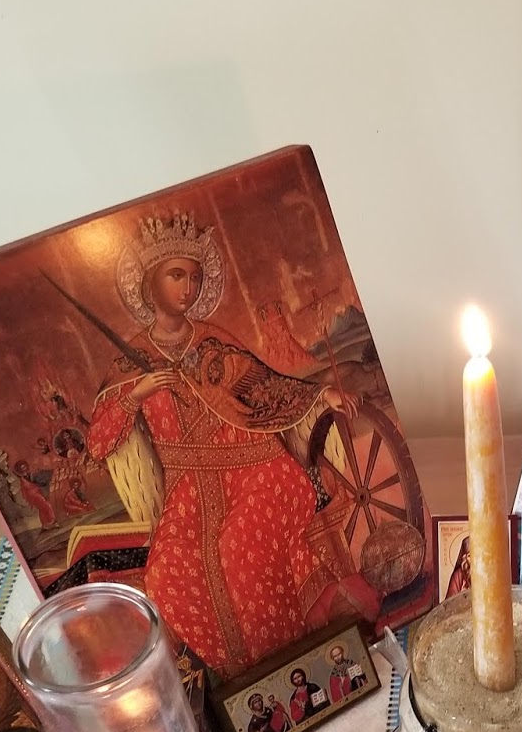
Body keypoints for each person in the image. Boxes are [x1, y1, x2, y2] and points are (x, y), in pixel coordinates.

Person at [87, 213, 359, 673]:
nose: (187, 288)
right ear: (150, 285)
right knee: (167, 573)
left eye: (194, 278)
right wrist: (137, 394)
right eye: (176, 276)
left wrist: (320, 395)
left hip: (256, 466)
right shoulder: (132, 361)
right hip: (188, 486)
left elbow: (267, 387)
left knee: (238, 549)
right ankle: (242, 672)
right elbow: (98, 442)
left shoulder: (214, 341)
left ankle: (282, 659)